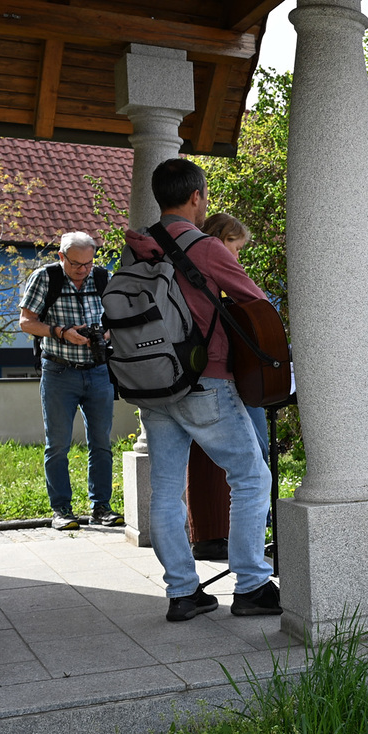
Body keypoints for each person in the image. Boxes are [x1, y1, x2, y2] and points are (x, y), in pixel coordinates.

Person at [121, 158, 278, 622]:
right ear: (196, 197)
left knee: (166, 490)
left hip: (153, 384)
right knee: (251, 477)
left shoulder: (137, 248)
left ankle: (183, 593)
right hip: (204, 380)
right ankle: (251, 585)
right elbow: (256, 301)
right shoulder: (205, 246)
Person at [184, 214, 275, 558]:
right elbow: (259, 303)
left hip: (192, 377)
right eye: (235, 248)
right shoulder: (212, 259)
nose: (237, 257)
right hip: (226, 377)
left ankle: (211, 537)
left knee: (202, 463)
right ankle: (248, 551)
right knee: (254, 463)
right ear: (220, 239)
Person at [17, 230, 121, 530]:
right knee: (58, 445)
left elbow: (117, 319)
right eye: (76, 264)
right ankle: (61, 510)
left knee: (101, 443)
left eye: (88, 263)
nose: (82, 270)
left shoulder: (103, 278)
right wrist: (61, 332)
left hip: (98, 371)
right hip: (59, 371)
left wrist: (106, 333)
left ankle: (101, 508)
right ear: (61, 256)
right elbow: (26, 322)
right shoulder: (44, 278)